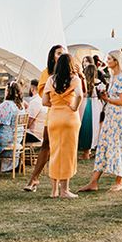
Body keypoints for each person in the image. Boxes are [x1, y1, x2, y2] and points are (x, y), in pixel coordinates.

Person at [78, 50, 122, 193]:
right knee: (103, 144)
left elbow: (121, 101)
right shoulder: (114, 76)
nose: (107, 61)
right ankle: (93, 181)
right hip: (110, 114)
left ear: (116, 61)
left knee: (116, 146)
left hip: (118, 116)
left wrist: (106, 99)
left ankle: (119, 180)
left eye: (109, 59)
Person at [25, 44, 66, 192]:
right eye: (58, 53)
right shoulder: (47, 74)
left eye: (63, 53)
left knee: (62, 148)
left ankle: (61, 184)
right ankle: (34, 178)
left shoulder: (70, 73)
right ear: (52, 56)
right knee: (46, 145)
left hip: (66, 114)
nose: (61, 56)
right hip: (53, 112)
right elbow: (44, 97)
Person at [43, 53, 83, 199]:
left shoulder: (50, 79)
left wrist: (55, 104)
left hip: (54, 117)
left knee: (54, 152)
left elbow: (44, 101)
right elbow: (79, 95)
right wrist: (74, 107)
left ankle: (54, 190)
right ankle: (64, 190)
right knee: (67, 153)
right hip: (69, 118)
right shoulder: (75, 79)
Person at [0, 81, 25, 174]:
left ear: (8, 91)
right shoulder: (21, 106)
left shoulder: (6, 105)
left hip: (6, 137)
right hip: (17, 138)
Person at [24, 80, 46, 144]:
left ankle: (13, 153)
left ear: (32, 89)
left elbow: (27, 124)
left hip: (35, 135)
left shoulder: (35, 102)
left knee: (14, 134)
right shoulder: (41, 100)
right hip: (41, 134)